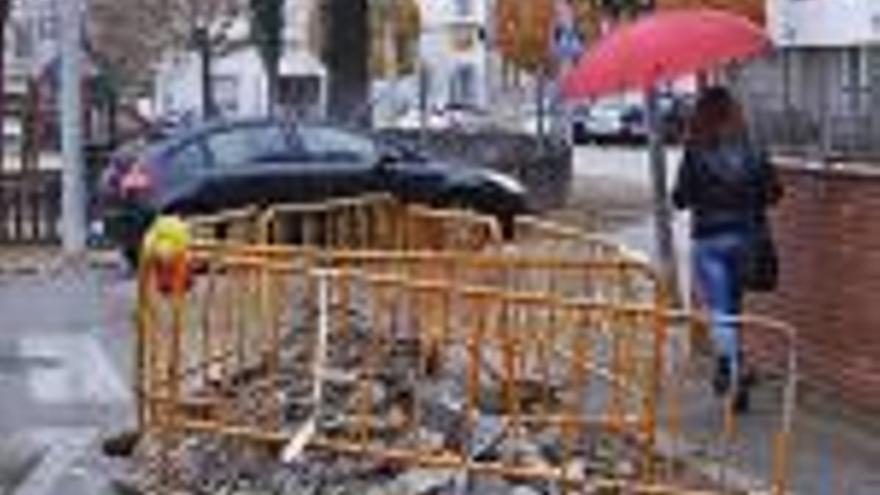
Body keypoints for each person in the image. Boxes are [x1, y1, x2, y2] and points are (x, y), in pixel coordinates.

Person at [672, 86, 782, 413]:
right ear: (734, 111)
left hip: (709, 241)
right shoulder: (753, 147)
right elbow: (774, 193)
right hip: (745, 239)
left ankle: (731, 373)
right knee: (731, 309)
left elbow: (680, 198)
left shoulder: (695, 149)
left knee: (720, 312)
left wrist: (698, 195)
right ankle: (731, 368)